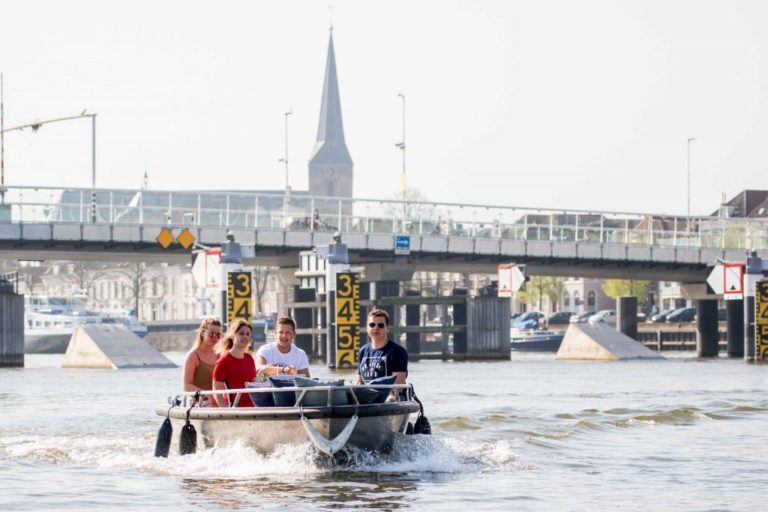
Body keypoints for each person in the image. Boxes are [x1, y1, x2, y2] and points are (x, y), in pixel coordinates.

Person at [357, 308, 408, 388]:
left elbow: (398, 386)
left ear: (387, 328)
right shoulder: (363, 351)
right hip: (366, 397)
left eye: (380, 325)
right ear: (367, 328)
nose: (376, 328)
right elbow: (360, 382)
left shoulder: (397, 351)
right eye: (372, 325)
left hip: (390, 398)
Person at [212, 319, 256, 407]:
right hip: (235, 410)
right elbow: (216, 392)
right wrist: (227, 413)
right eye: (241, 333)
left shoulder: (249, 358)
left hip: (253, 409)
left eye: (248, 334)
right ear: (233, 336)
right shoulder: (223, 362)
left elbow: (255, 384)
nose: (245, 336)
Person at [181, 317, 222, 404]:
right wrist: (209, 395)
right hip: (199, 403)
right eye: (211, 333)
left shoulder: (219, 354)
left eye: (218, 335)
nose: (215, 337)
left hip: (218, 401)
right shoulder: (193, 356)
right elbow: (186, 386)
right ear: (203, 333)